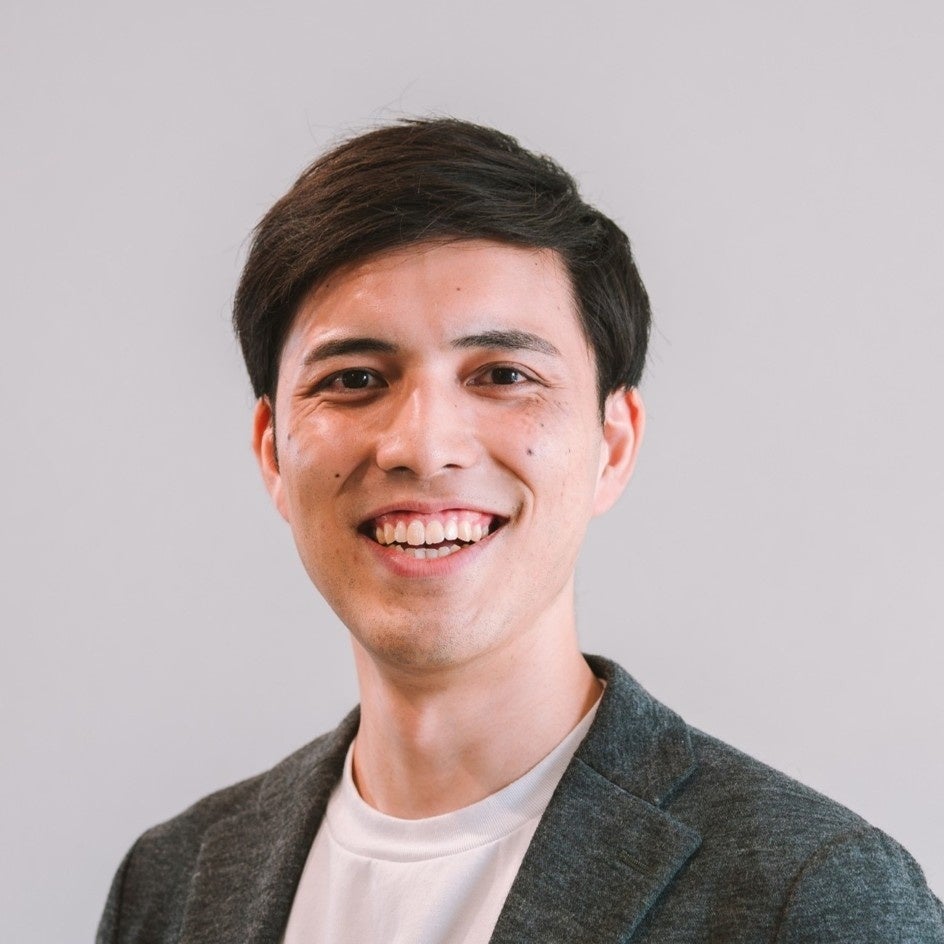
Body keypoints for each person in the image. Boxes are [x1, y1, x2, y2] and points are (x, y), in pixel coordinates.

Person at [97, 118, 944, 944]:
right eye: (354, 379)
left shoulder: (809, 897)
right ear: (272, 452)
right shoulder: (171, 884)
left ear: (614, 445)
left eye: (503, 374)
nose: (423, 446)